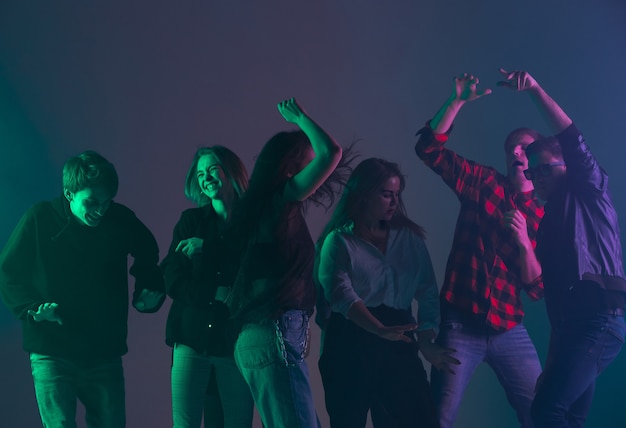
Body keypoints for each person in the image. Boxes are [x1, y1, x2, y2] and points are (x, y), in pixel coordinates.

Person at [414, 72, 545, 428]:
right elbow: (428, 150)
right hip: (460, 323)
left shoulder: (545, 215)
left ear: (540, 157)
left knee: (543, 413)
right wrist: (456, 102)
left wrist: (522, 244)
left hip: (509, 328)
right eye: (512, 148)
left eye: (526, 148)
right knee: (437, 417)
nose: (518, 152)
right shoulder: (484, 182)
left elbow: (537, 287)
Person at [497, 69, 626, 427]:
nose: (535, 178)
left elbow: (571, 136)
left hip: (600, 323)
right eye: (532, 173)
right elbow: (554, 301)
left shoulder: (590, 191)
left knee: (546, 412)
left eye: (544, 170)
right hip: (575, 329)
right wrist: (552, 364)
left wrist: (535, 89)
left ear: (566, 166)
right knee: (564, 415)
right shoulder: (549, 222)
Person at [0, 150, 165, 428]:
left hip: (103, 353)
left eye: (107, 202)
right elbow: (8, 271)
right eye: (92, 201)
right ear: (69, 194)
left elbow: (148, 250)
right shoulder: (40, 218)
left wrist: (145, 293)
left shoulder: (120, 219)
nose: (101, 209)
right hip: (52, 352)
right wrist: (32, 310)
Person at [225, 98, 344, 428]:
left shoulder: (259, 211)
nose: (313, 172)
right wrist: (301, 118)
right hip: (273, 337)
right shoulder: (281, 202)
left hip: (259, 338)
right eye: (306, 164)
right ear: (289, 169)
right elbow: (331, 153)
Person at [315, 157, 458, 427]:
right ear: (365, 195)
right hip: (350, 337)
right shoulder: (338, 241)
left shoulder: (409, 239)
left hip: (398, 331)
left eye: (396, 195)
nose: (393, 202)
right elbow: (342, 296)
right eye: (386, 194)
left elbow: (427, 290)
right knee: (348, 418)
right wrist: (378, 329)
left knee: (417, 418)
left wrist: (427, 338)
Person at [161, 146, 254, 427]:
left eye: (213, 169)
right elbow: (172, 277)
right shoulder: (191, 221)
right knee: (185, 423)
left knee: (237, 421)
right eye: (200, 173)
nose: (206, 178)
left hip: (234, 342)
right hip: (191, 337)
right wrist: (215, 293)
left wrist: (208, 248)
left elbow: (252, 266)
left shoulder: (252, 223)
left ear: (231, 172)